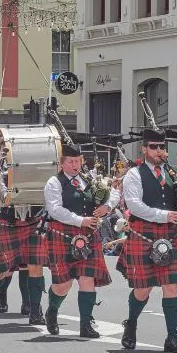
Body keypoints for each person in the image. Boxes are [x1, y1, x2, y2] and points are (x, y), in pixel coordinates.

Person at [118, 128, 177, 353]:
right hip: (144, 234)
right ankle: (132, 323)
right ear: (144, 149)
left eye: (161, 147)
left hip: (170, 235)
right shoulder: (134, 175)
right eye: (153, 147)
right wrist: (164, 215)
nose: (158, 151)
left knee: (171, 286)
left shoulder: (175, 173)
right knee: (143, 289)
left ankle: (172, 338)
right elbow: (134, 205)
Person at [43, 142, 118, 337]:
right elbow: (54, 210)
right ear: (62, 163)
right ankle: (52, 311)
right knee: (63, 284)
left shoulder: (88, 180)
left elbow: (113, 194)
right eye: (71, 161)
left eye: (77, 161)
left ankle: (86, 325)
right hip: (62, 235)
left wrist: (106, 207)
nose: (75, 165)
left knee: (87, 279)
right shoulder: (54, 182)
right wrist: (80, 220)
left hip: (88, 235)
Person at [0, 169, 48, 325]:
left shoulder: (39, 169)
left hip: (33, 221)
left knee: (36, 267)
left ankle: (35, 311)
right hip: (8, 221)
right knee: (0, 271)